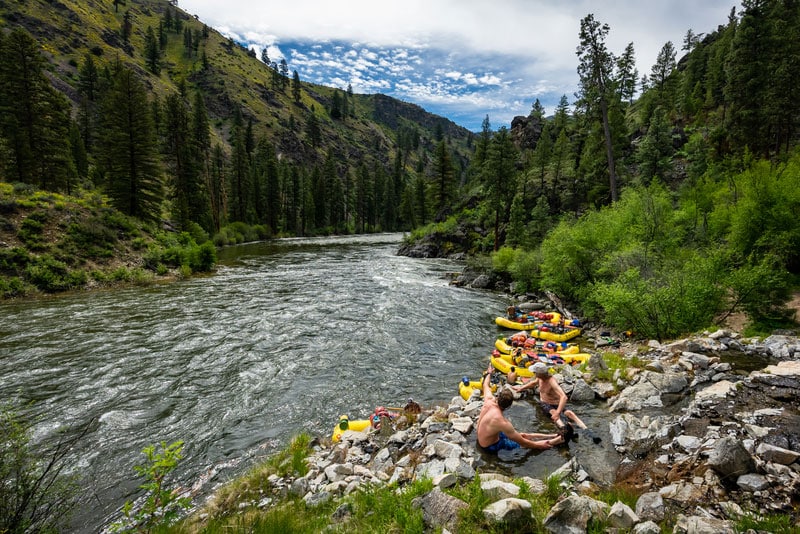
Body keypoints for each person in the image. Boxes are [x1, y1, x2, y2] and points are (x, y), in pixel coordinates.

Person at [476, 362, 567, 452]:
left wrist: (489, 373)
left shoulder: (488, 400)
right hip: (490, 446)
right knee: (520, 443)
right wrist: (538, 446)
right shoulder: (502, 422)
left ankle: (553, 435)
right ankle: (556, 440)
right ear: (509, 406)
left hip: (482, 436)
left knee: (521, 435)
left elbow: (485, 385)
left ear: (498, 397)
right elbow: (523, 443)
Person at [512, 362, 587, 434]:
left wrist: (558, 413)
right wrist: (521, 388)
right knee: (554, 413)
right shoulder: (540, 378)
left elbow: (564, 397)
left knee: (570, 414)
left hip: (555, 403)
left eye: (535, 372)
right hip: (546, 404)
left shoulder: (551, 381)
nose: (533, 373)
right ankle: (566, 430)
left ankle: (587, 431)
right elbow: (533, 383)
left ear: (540, 373)